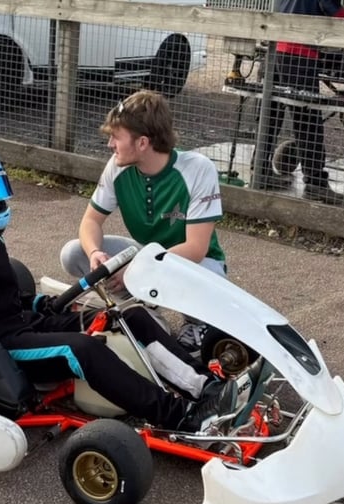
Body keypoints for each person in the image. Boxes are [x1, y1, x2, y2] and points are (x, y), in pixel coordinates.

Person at [0, 141, 237, 432]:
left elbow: (6, 298)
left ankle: (206, 388)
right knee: (82, 348)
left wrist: (41, 306)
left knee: (129, 315)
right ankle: (179, 417)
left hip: (22, 326)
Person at [59, 90, 226, 354]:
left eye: (116, 136)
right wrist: (95, 253)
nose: (109, 144)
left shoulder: (198, 169)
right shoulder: (117, 166)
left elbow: (195, 249)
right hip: (147, 255)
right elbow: (90, 221)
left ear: (143, 142)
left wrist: (139, 269)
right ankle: (143, 312)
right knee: (73, 253)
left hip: (197, 264)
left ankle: (197, 323)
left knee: (204, 289)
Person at [257, 0, 344, 205]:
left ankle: (260, 172)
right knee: (307, 120)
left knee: (269, 114)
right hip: (299, 53)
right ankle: (315, 184)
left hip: (274, 48)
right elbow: (336, 12)